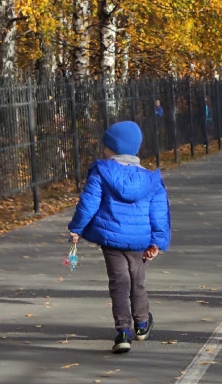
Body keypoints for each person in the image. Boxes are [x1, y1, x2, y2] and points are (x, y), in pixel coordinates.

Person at [67, 121, 171, 353]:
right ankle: (142, 324)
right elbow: (159, 212)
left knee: (119, 283)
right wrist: (156, 241)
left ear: (112, 148)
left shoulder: (102, 172)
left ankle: (123, 331)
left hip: (111, 238)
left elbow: (88, 204)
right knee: (137, 280)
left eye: (106, 145)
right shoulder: (150, 179)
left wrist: (77, 228)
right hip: (139, 241)